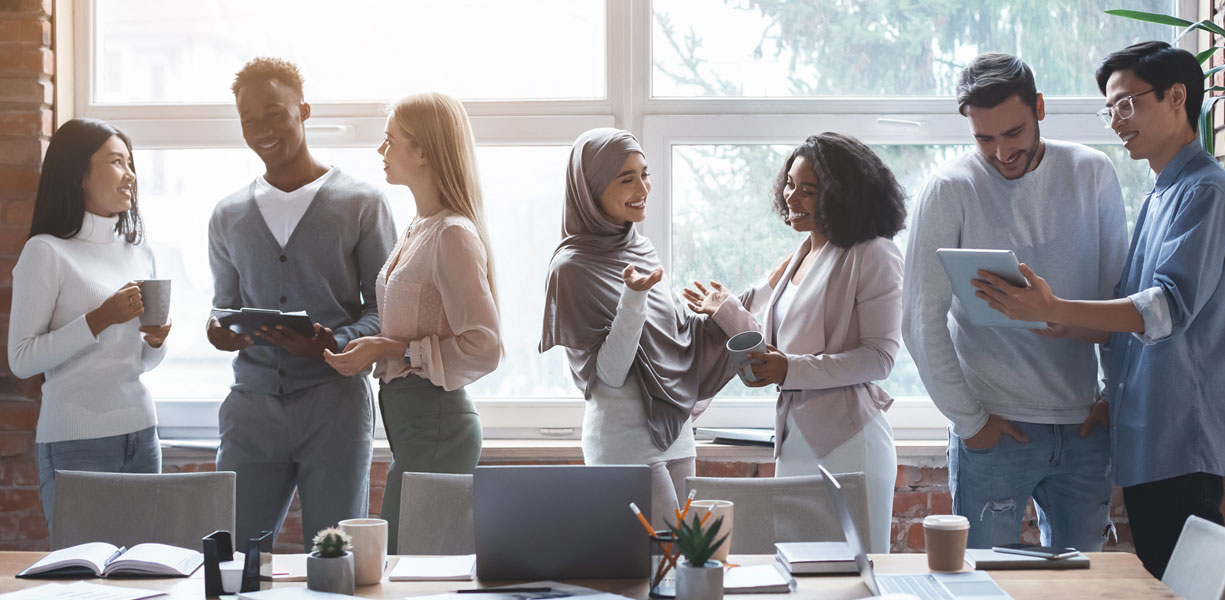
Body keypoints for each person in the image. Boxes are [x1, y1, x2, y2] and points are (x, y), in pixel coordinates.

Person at [971, 41, 1225, 578]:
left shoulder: (1206, 193)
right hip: (1152, 431)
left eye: (1125, 104)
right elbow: (1131, 318)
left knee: (1173, 587)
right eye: (1110, 110)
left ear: (1177, 97)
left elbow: (1165, 309)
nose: (1116, 121)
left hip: (1182, 435)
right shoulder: (1161, 193)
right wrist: (1068, 325)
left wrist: (1058, 305)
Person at [900, 53, 1127, 551]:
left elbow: (1119, 297)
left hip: (1083, 427)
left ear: (1040, 108)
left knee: (1081, 586)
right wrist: (971, 423)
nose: (1002, 151)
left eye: (1014, 133)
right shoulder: (948, 189)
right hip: (994, 428)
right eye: (984, 138)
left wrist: (1113, 393)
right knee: (982, 584)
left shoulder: (1093, 172)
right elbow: (919, 320)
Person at [207, 57, 396, 550]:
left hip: (334, 404)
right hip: (251, 407)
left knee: (334, 556)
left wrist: (335, 342)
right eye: (249, 120)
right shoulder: (227, 215)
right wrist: (219, 330)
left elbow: (385, 312)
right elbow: (223, 304)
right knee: (235, 559)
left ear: (303, 111)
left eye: (275, 113)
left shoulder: (362, 203)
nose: (263, 130)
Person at [688, 133, 906, 553]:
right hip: (793, 442)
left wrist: (788, 369)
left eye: (808, 190)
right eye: (789, 184)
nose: (792, 197)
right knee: (797, 577)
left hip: (849, 444)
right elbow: (778, 344)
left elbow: (880, 358)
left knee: (852, 579)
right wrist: (755, 353)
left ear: (842, 195)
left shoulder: (874, 254)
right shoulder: (801, 254)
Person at [539, 128, 758, 526]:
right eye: (627, 178)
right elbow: (609, 373)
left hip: (675, 432)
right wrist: (634, 297)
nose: (643, 187)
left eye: (645, 173)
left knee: (686, 561)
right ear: (591, 189)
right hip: (623, 441)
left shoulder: (641, 247)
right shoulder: (570, 268)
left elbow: (677, 342)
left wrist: (724, 308)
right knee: (649, 569)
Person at [325, 92, 501, 554]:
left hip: (438, 426)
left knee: (409, 565)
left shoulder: (453, 235)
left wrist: (386, 349)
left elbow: (484, 347)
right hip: (412, 426)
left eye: (390, 141)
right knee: (406, 563)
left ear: (422, 151)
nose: (381, 152)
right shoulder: (419, 228)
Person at [8, 118, 172, 531]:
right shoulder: (45, 252)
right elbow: (22, 360)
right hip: (75, 443)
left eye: (130, 162)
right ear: (79, 173)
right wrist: (100, 318)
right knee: (81, 583)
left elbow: (142, 363)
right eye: (117, 162)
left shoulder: (140, 251)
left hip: (142, 433)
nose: (131, 175)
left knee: (144, 579)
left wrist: (155, 341)